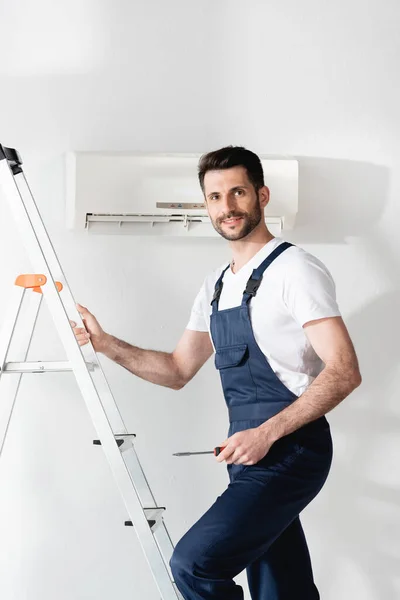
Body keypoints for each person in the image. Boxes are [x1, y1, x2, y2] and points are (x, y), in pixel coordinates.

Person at [71, 146, 362, 600]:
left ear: (261, 195)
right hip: (247, 457)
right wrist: (105, 342)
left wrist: (267, 433)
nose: (226, 207)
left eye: (238, 192)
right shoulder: (216, 285)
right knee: (280, 587)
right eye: (214, 197)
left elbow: (344, 371)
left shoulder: (295, 270)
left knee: (194, 564)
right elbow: (176, 370)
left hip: (292, 452)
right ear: (205, 204)